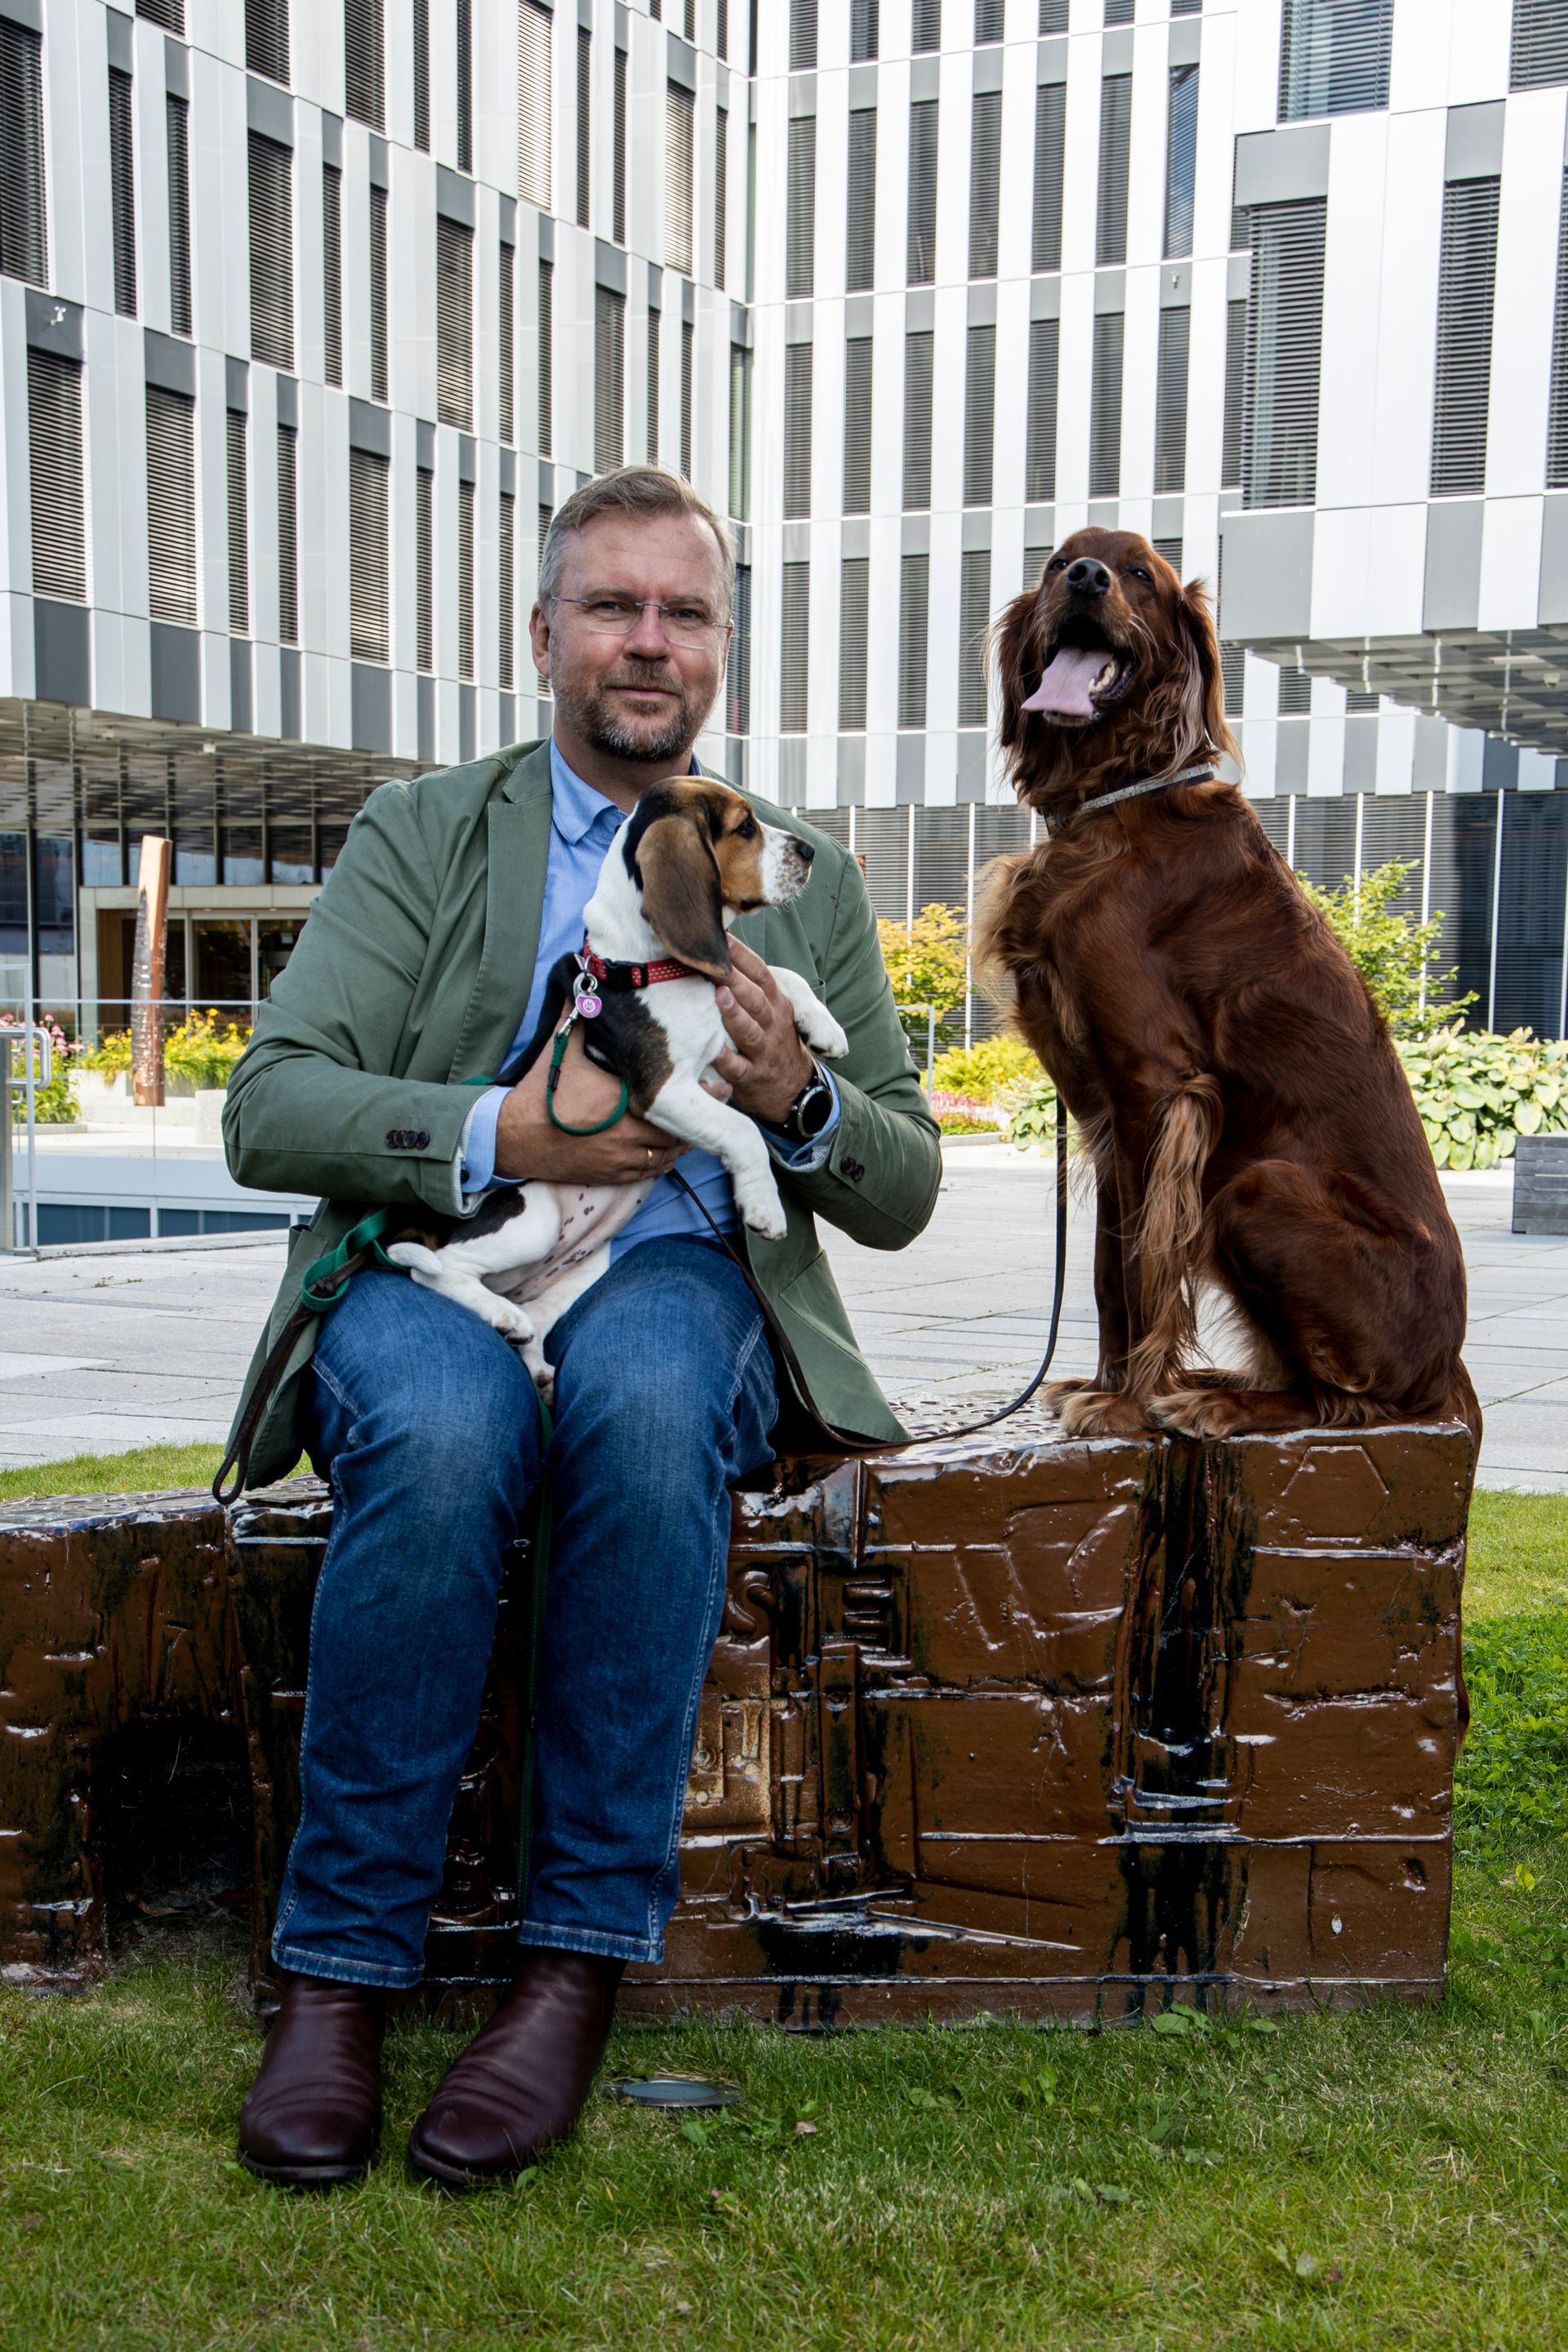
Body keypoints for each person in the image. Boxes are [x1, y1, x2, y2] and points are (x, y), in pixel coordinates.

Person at [222, 467, 941, 2190]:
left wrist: (803, 1102)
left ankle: (570, 1969)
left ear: (719, 651)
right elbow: (270, 1105)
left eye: (682, 612)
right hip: (445, 1251)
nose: (647, 641)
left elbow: (902, 1180)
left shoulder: (799, 869)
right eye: (612, 607)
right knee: (452, 1432)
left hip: (690, 1265)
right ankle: (337, 1976)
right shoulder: (422, 830)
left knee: (635, 1403)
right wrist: (501, 1134)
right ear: (543, 636)